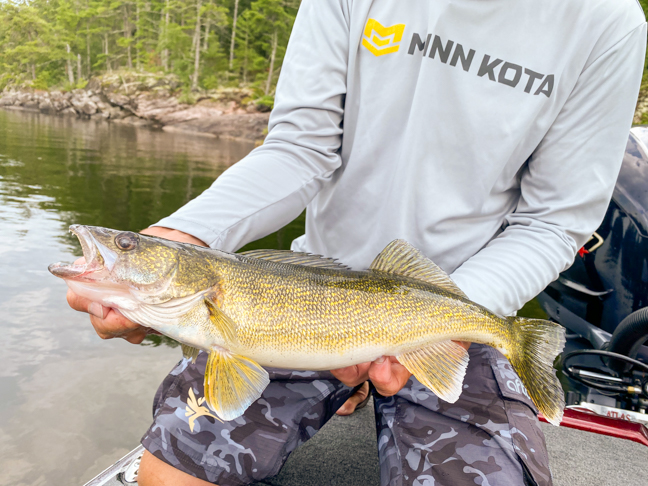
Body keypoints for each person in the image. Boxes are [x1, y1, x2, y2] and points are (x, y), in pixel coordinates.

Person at [67, 0, 646, 484]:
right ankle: (341, 384)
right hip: (300, 298)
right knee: (167, 477)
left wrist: (438, 324)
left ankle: (362, 384)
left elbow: (552, 221)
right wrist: (179, 236)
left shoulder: (607, 21)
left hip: (465, 306)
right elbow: (301, 146)